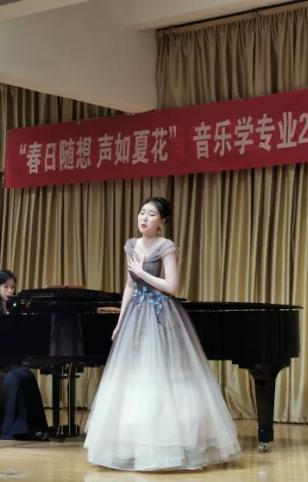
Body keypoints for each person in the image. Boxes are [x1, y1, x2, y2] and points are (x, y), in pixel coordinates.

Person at [84, 197, 241, 471]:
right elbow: (130, 287)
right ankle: (131, 444)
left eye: (151, 214)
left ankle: (170, 443)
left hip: (161, 314)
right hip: (135, 315)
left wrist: (142, 272)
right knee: (136, 376)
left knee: (162, 374)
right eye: (142, 212)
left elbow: (172, 286)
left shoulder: (166, 246)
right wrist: (120, 322)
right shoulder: (132, 245)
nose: (143, 218)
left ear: (162, 221)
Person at [0, 270, 49, 441]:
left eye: (12, 287)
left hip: (10, 361)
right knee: (16, 377)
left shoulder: (14, 310)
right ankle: (11, 430)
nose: (10, 291)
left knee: (27, 375)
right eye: (6, 287)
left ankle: (34, 428)